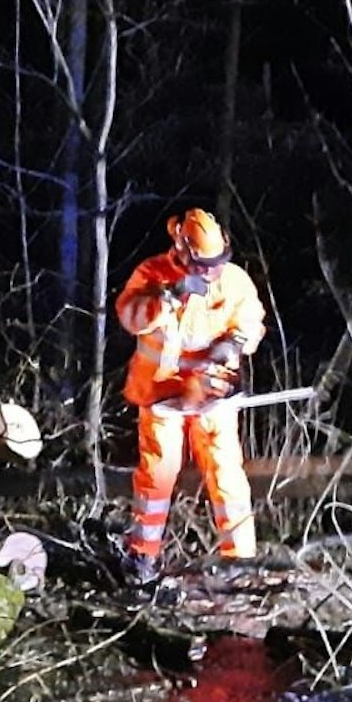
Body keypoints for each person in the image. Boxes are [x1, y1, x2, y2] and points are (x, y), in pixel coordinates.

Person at [113, 207, 268, 586]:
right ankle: (143, 555)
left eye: (217, 263)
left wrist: (234, 343)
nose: (212, 272)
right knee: (158, 475)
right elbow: (130, 316)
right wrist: (169, 297)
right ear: (183, 252)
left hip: (212, 395)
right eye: (204, 265)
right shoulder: (152, 274)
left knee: (226, 471)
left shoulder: (234, 281)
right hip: (162, 395)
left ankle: (240, 559)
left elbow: (251, 321)